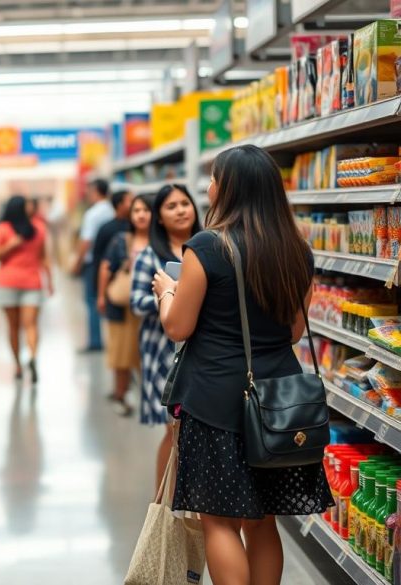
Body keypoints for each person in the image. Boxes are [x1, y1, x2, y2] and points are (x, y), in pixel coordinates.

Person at [153, 145, 332, 585]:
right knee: (264, 520)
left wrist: (166, 292)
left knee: (219, 520)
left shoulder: (207, 248)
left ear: (228, 188)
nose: (209, 187)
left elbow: (178, 327)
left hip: (215, 400)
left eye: (214, 178)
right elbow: (293, 332)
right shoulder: (297, 250)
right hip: (279, 403)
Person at [130, 184, 201, 492]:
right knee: (173, 430)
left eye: (185, 203)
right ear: (158, 217)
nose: (181, 210)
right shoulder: (149, 256)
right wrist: (167, 297)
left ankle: (191, 495)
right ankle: (163, 501)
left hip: (200, 350)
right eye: (171, 206)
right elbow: (136, 301)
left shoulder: (206, 248)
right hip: (162, 352)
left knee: (193, 430)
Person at [0, 195, 52, 383]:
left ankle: (21, 363)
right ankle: (28, 358)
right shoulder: (31, 229)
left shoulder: (6, 229)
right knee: (29, 325)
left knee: (15, 327)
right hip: (27, 283)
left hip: (14, 283)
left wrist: (50, 279)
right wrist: (49, 281)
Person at [97, 194, 151, 416]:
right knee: (121, 353)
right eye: (136, 210)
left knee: (144, 352)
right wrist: (101, 296)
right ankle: (120, 394)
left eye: (146, 210)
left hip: (151, 307)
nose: (140, 215)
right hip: (122, 305)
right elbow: (106, 267)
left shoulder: (161, 241)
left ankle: (150, 397)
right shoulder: (121, 239)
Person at [72, 179, 114, 352]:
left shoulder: (92, 214)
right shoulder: (111, 211)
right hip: (111, 261)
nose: (87, 194)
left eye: (89, 191)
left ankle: (95, 342)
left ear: (96, 191)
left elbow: (86, 242)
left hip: (92, 263)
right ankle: (112, 339)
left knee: (92, 300)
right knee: (109, 298)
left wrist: (77, 263)